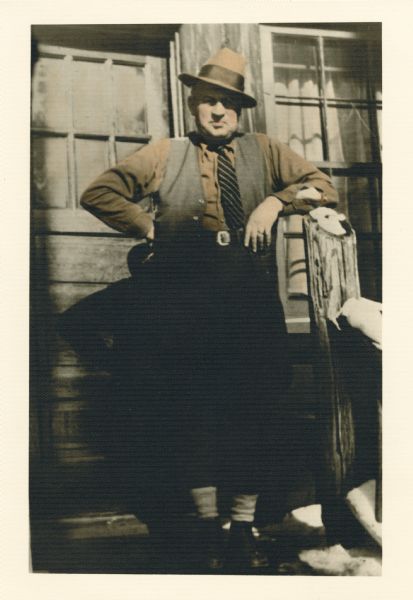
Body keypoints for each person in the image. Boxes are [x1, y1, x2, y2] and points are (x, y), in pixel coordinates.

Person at [80, 47, 338, 573]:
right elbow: (99, 191)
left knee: (251, 418)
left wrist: (275, 202)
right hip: (183, 310)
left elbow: (322, 186)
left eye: (228, 103)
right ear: (193, 105)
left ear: (240, 110)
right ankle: (203, 531)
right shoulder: (165, 153)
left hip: (247, 307)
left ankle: (241, 531)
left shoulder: (264, 151)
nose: (218, 111)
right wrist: (151, 228)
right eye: (207, 101)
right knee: (192, 419)